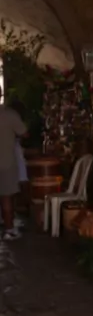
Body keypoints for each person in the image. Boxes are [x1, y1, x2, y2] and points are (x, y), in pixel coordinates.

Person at [0, 85, 28, 240]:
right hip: (6, 163)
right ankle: (9, 229)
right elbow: (24, 133)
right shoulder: (9, 115)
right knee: (7, 197)